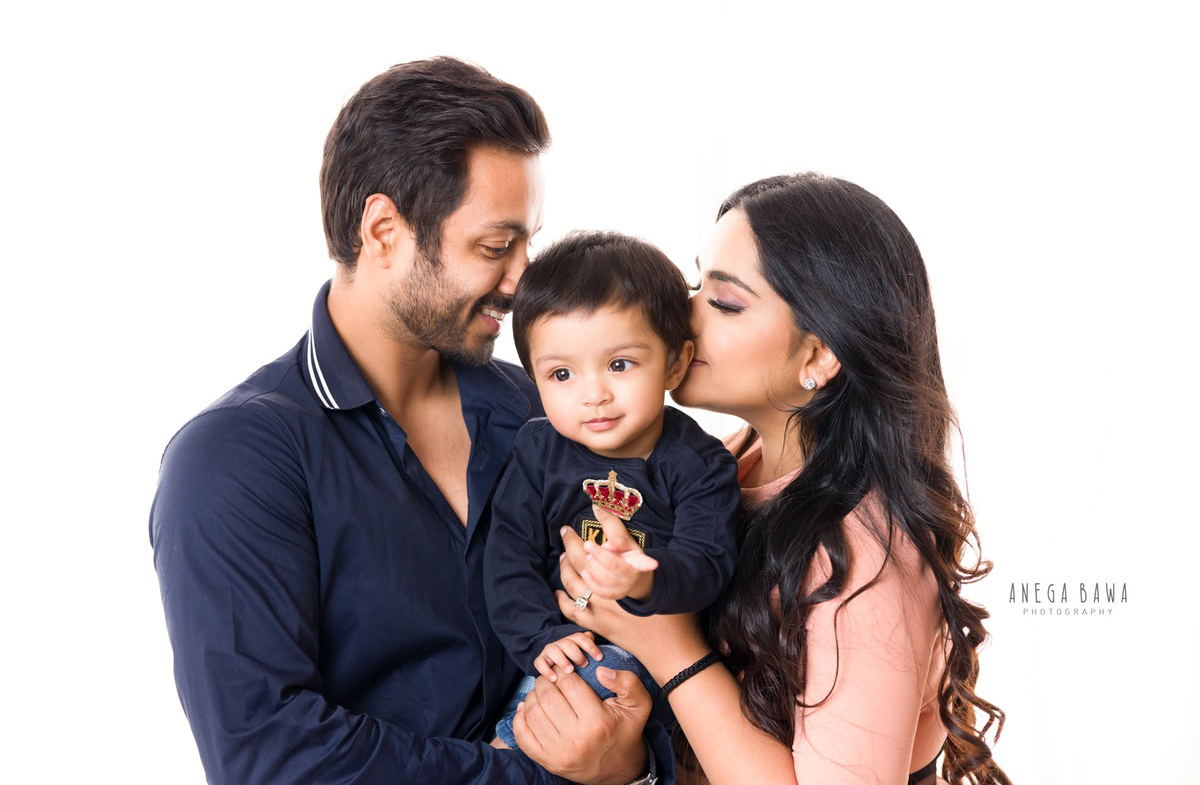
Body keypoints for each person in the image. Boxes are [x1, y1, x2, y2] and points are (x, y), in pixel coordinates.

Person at [149, 57, 671, 785]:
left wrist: (638, 761)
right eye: (495, 248)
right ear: (384, 230)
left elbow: (633, 638)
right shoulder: (236, 458)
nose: (524, 281)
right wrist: (540, 777)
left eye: (530, 244)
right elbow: (270, 755)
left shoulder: (537, 409)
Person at [552, 173, 1011, 784]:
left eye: (724, 302)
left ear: (818, 355)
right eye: (696, 284)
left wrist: (670, 649)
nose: (682, 314)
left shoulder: (868, 561)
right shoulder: (729, 462)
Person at [483, 231, 742, 752]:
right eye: (561, 374)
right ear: (534, 378)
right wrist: (540, 636)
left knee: (581, 692)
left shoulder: (701, 464)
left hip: (646, 663)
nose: (594, 394)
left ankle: (508, 752)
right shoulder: (537, 450)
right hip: (552, 645)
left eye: (619, 365)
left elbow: (710, 561)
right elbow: (509, 556)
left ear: (674, 364)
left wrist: (644, 580)